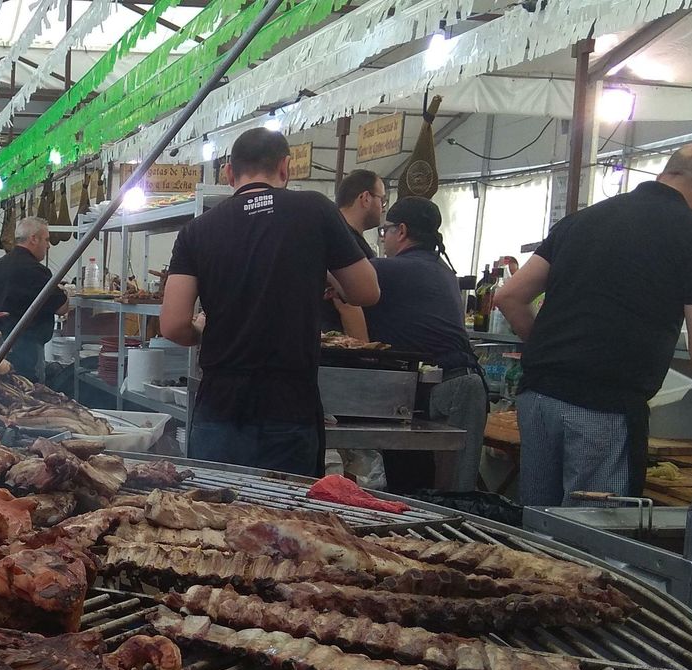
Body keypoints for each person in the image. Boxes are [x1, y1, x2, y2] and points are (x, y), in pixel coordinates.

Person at [494, 144, 692, 507]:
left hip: (537, 396)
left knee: (538, 525)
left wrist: (553, 349)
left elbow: (509, 296)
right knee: (593, 539)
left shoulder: (583, 219)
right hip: (602, 407)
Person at [159, 129, 380, 476]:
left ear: (229, 173)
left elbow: (172, 325)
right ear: (285, 167)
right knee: (286, 520)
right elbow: (367, 292)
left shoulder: (197, 231)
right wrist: (325, 275)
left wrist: (200, 331)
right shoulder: (314, 210)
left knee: (212, 515)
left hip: (221, 402)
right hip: (289, 402)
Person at [367, 198, 486, 492]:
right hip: (462, 383)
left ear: (402, 231)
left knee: (449, 492)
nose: (383, 240)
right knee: (451, 487)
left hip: (446, 390)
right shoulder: (443, 271)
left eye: (385, 231)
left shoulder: (395, 270)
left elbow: (343, 274)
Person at [0, 216, 64, 381]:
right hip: (27, 349)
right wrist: (64, 293)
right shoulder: (37, 271)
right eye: (46, 240)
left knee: (0, 391)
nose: (48, 245)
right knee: (29, 395)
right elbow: (62, 308)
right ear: (33, 239)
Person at [330, 169, 387, 340]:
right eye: (382, 200)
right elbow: (348, 305)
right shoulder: (342, 241)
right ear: (365, 198)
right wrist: (365, 353)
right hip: (342, 348)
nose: (383, 208)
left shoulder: (343, 236)